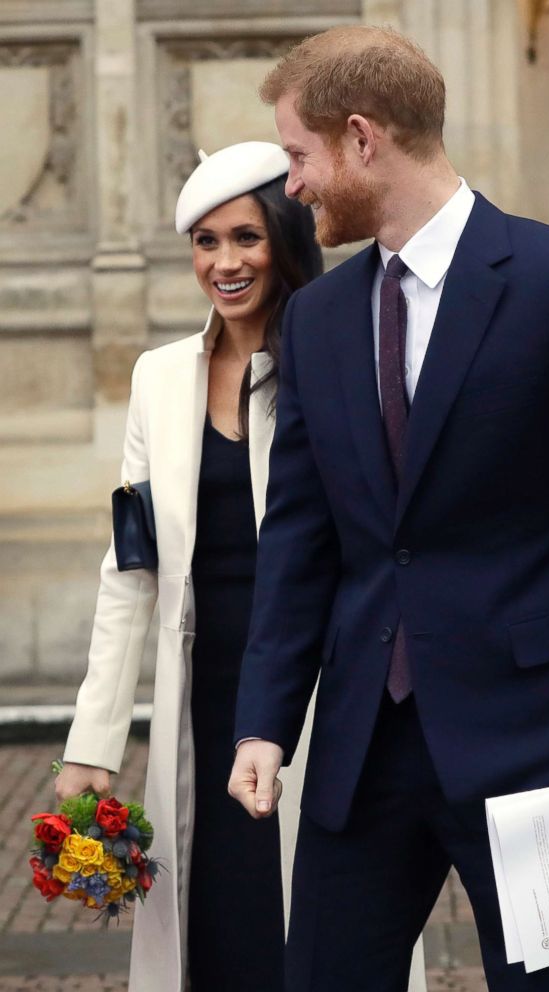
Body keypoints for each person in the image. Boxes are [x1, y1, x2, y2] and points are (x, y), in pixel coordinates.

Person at [228, 26, 549, 992]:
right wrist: (263, 723)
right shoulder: (316, 319)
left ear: (362, 139)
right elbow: (300, 538)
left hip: (546, 750)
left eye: (299, 156)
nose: (294, 188)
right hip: (363, 752)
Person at [55, 142, 322, 992]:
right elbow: (128, 568)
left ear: (284, 238)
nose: (225, 262)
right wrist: (92, 742)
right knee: (208, 927)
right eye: (205, 242)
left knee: (318, 928)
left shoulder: (333, 361)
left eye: (245, 236)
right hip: (199, 693)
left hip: (318, 688)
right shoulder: (158, 377)